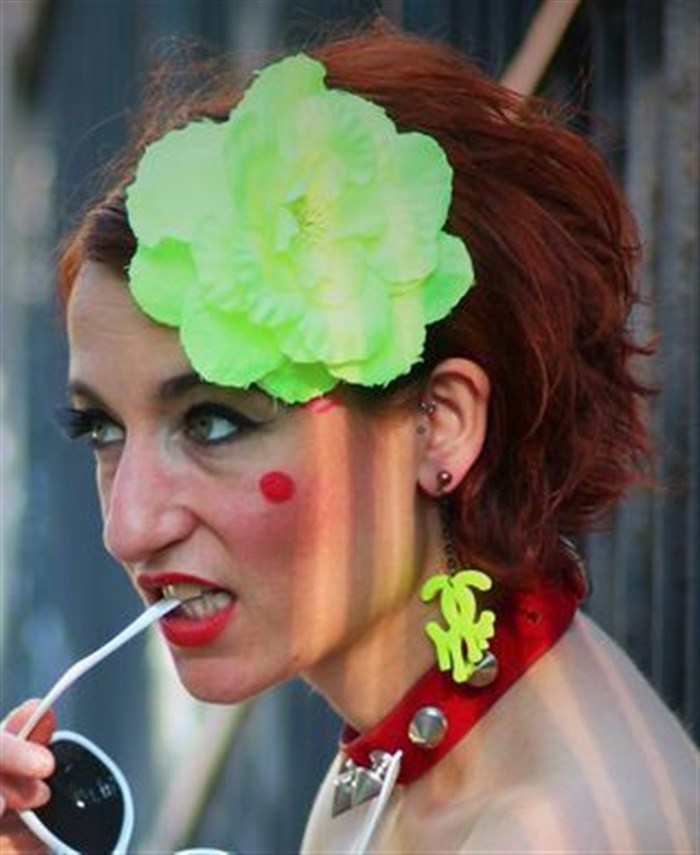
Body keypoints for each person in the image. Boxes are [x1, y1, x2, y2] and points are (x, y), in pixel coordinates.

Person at [1, 26, 696, 854]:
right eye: (102, 429)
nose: (129, 526)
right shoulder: (410, 752)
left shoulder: (553, 831)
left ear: (439, 424)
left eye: (213, 420)